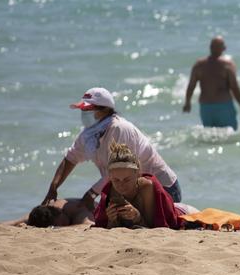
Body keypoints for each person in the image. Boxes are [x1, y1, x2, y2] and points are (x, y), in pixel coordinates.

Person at [42, 87, 182, 210]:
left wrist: (91, 194)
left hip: (163, 188)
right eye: (83, 110)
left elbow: (119, 168)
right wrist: (53, 187)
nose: (85, 113)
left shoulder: (119, 128)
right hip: (128, 188)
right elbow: (70, 159)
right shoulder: (88, 134)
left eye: (89, 110)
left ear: (106, 110)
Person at [93, 143, 181, 229]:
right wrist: (111, 219)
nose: (121, 185)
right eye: (116, 180)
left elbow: (154, 227)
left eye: (127, 180)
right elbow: (105, 227)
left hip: (180, 211)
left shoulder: (147, 187)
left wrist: (137, 216)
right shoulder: (111, 191)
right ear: (110, 177)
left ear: (138, 174)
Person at [183, 36, 240, 130]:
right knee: (230, 135)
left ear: (210, 48)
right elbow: (234, 88)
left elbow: (191, 85)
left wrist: (187, 102)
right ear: (222, 48)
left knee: (210, 137)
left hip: (206, 107)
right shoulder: (227, 65)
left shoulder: (199, 65)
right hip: (224, 106)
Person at [4, 198, 94, 227]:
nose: (62, 225)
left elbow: (88, 225)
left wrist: (56, 229)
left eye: (61, 223)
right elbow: (13, 222)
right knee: (19, 221)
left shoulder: (80, 213)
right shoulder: (44, 211)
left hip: (98, 210)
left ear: (60, 213)